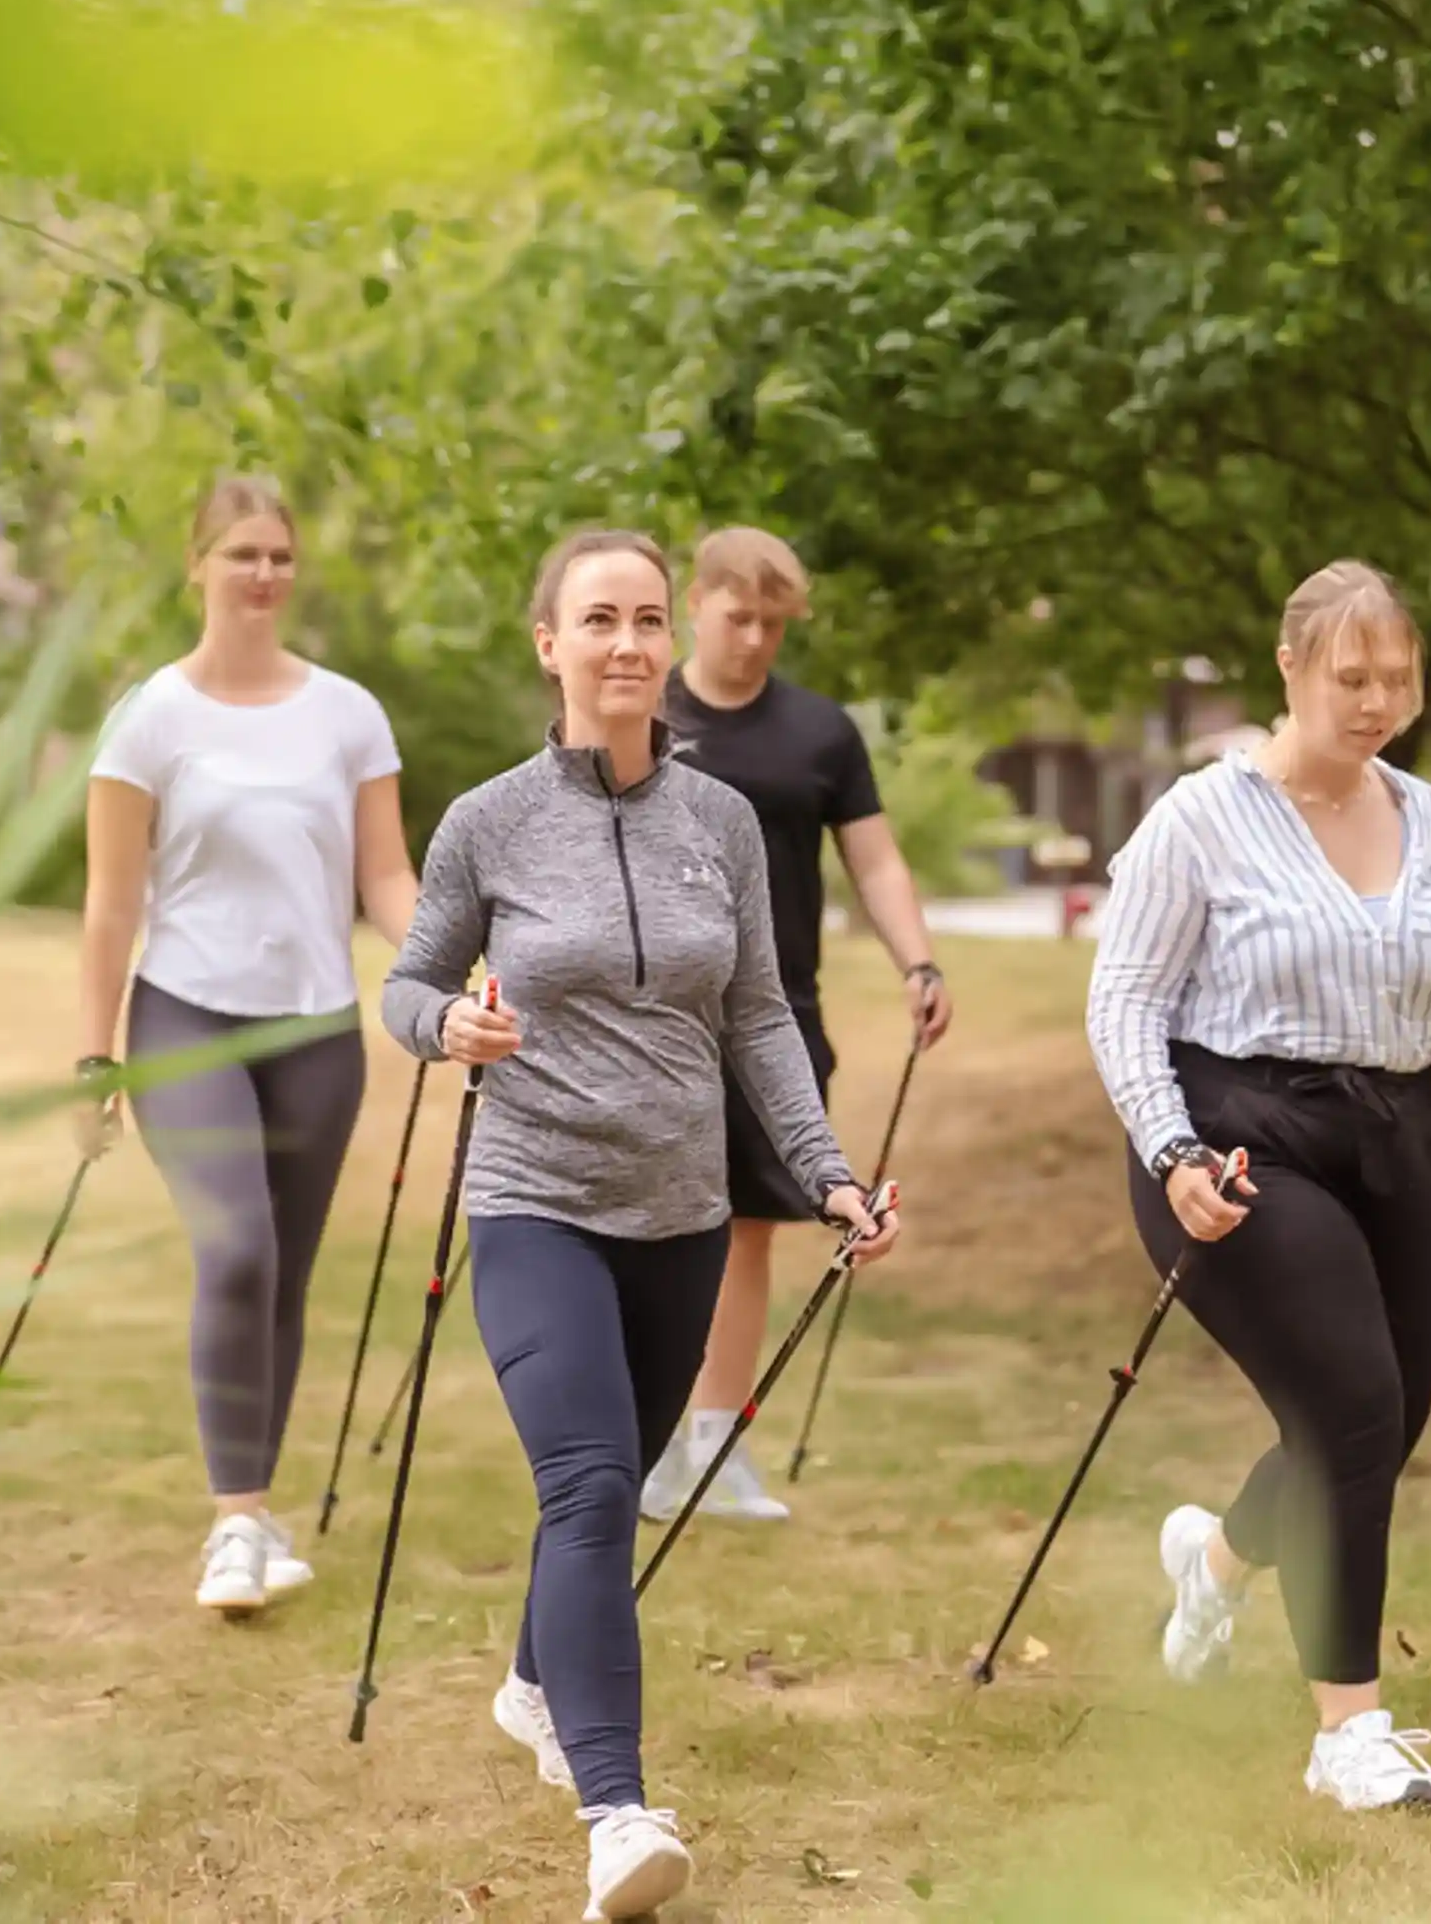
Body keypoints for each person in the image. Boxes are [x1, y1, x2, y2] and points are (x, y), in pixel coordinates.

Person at [380, 528, 899, 1923]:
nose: (626, 643)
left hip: (679, 1212)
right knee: (595, 1483)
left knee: (598, 1491)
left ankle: (535, 1683)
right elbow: (409, 982)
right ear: (548, 642)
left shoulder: (719, 823)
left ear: (669, 646)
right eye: (597, 618)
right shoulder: (488, 822)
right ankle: (617, 1812)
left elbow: (760, 1017)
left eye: (647, 618)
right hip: (536, 1199)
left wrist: (828, 1173)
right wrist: (452, 1025)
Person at [1085, 559, 1431, 1813]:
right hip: (1238, 1133)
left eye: (1397, 677)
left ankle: (1209, 1566)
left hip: (1399, 1136)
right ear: (1291, 669)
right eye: (1350, 676)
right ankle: (1347, 1727)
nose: (1375, 699)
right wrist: (1169, 1154)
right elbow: (1125, 1000)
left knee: (1374, 1427)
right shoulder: (1199, 818)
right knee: (1356, 1405)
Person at [75, 475, 421, 1616]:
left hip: (316, 1025)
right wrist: (95, 1055)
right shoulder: (150, 719)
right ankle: (233, 1526)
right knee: (234, 1251)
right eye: (241, 553)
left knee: (283, 1270)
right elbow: (111, 907)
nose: (264, 572)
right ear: (199, 566)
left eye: (278, 553)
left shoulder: (347, 712)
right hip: (183, 1017)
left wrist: (444, 965)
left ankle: (255, 1506)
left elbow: (382, 876)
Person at [640, 525, 951, 1526]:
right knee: (647, 1222)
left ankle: (714, 1445)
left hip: (776, 1012)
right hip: (650, 1011)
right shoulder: (640, 711)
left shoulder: (818, 733)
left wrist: (919, 959)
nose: (757, 637)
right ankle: (635, 1441)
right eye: (740, 616)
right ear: (695, 601)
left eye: (775, 622)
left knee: (747, 1230)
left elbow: (875, 860)